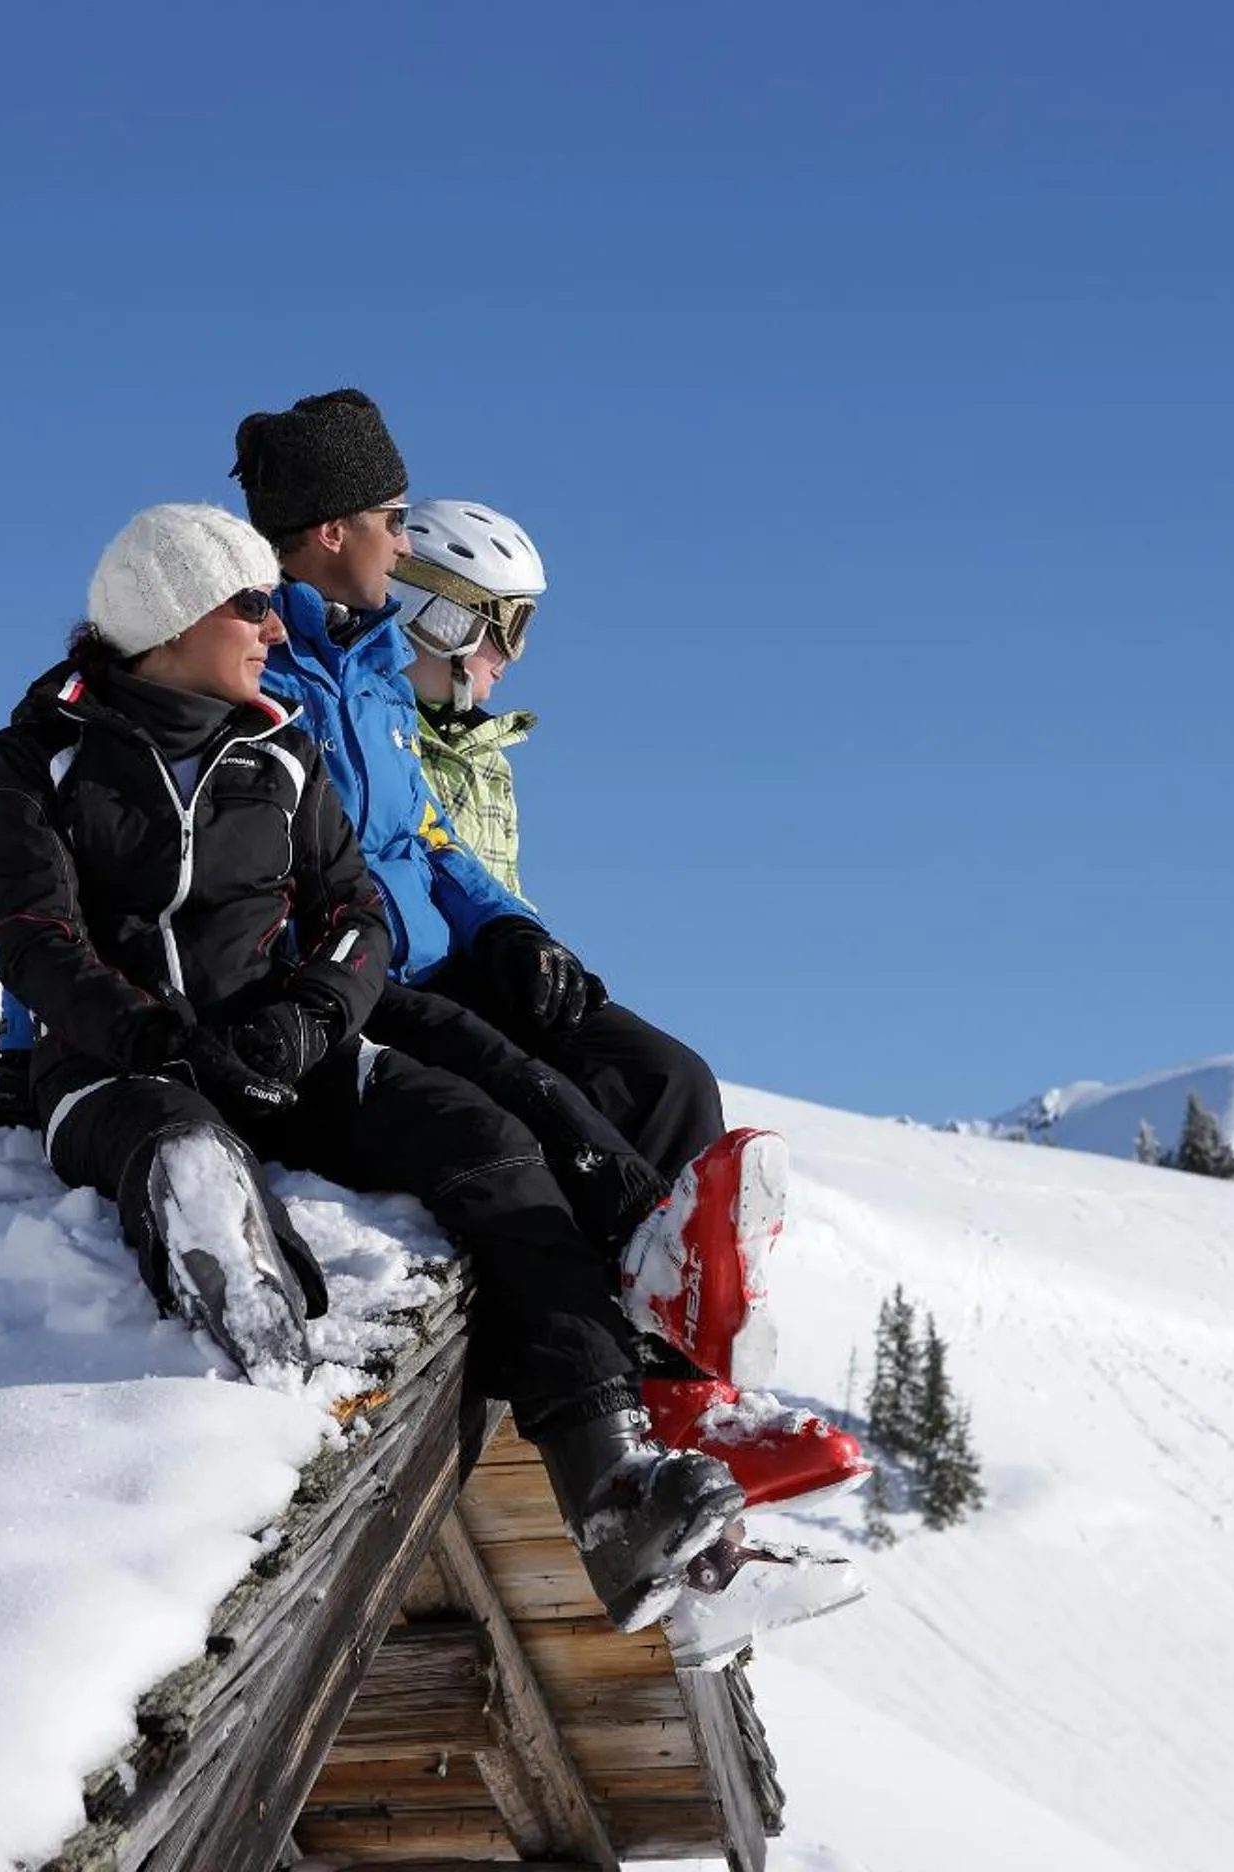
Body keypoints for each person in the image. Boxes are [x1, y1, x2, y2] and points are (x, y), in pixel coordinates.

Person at [0, 502, 743, 1631]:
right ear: (175, 618)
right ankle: (227, 1255)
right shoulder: (46, 749)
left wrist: (311, 1016)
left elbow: (354, 914)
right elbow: (35, 937)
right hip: (121, 1065)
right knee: (172, 1137)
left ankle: (613, 1479)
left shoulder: (279, 746)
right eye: (249, 607)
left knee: (492, 1144)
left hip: (281, 1049)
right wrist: (147, 1039)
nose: (272, 629)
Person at [229, 391, 867, 1512]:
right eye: (389, 515)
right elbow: (305, 866)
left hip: (438, 956)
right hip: (359, 978)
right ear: (333, 529)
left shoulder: (369, 664)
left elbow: (424, 830)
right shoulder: (264, 669)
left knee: (663, 1075)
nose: (402, 532)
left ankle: (692, 1380)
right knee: (536, 1109)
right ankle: (665, 1343)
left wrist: (510, 924)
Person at [387, 498, 542, 893]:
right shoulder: (372, 730)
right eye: (509, 628)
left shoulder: (490, 762)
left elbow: (507, 892)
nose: (512, 654)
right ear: (447, 618)